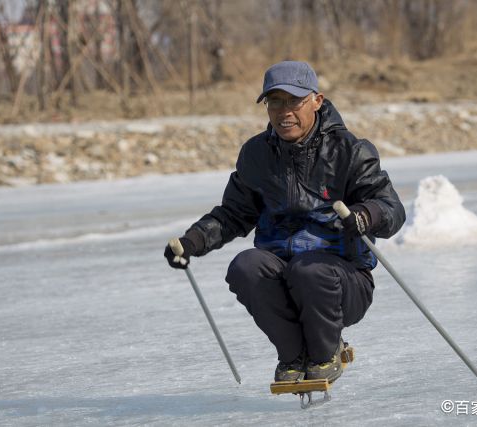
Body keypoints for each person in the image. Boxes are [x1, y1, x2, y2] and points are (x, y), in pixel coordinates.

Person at [164, 61, 406, 384]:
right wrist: (192, 241)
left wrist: (365, 215)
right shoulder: (257, 155)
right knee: (245, 266)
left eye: (294, 100)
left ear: (317, 101)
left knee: (308, 270)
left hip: (342, 282)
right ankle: (293, 356)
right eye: (274, 102)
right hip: (284, 276)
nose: (284, 111)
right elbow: (232, 214)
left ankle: (325, 351)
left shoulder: (349, 151)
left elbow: (391, 207)